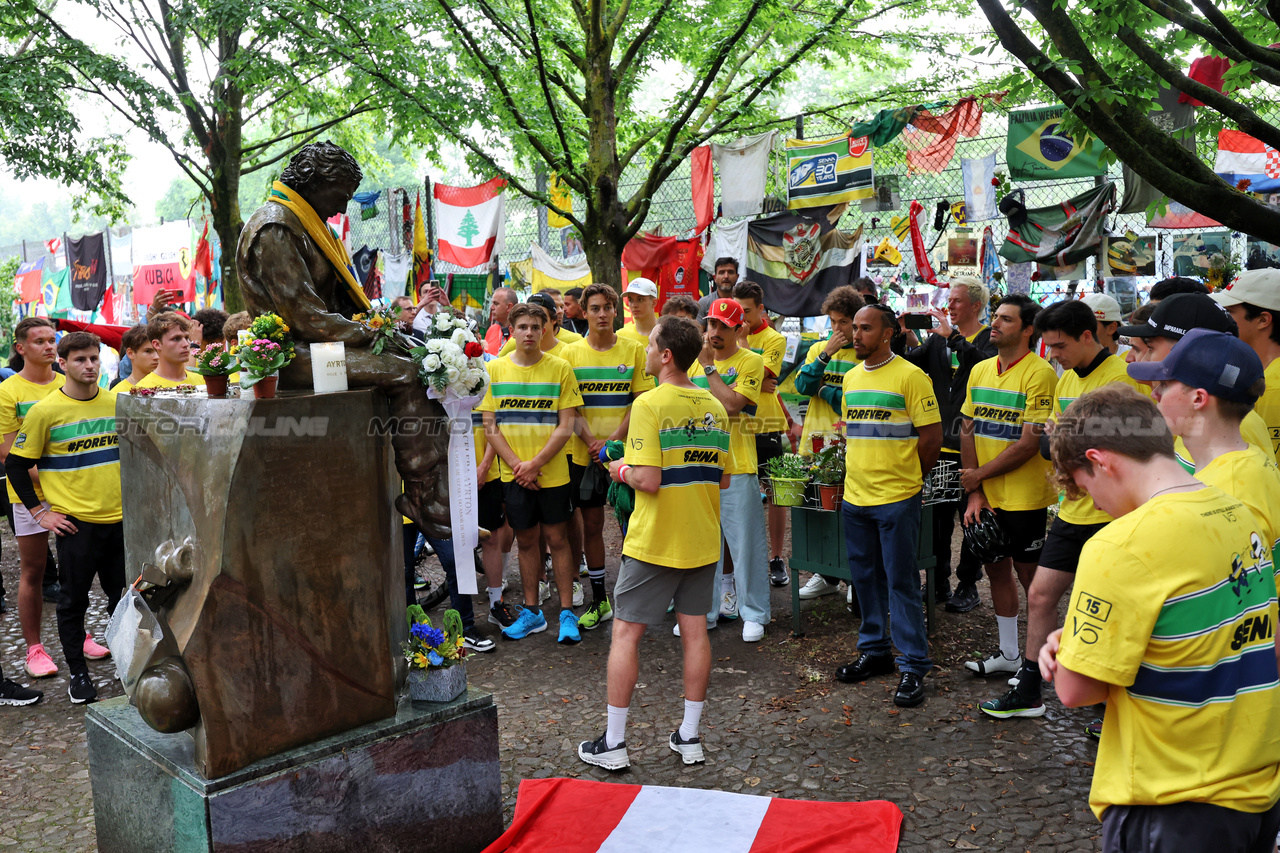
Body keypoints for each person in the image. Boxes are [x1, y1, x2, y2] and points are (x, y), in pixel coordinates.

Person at [1039, 386, 1280, 852]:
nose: (1096, 505)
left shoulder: (1118, 546)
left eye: (1086, 489)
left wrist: (1067, 648)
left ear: (1100, 459)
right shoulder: (1237, 512)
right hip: (1256, 787)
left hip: (1171, 799)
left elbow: (1075, 689)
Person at [577, 316, 730, 770]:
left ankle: (616, 744)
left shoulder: (648, 403)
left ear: (665, 356)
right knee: (696, 632)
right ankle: (690, 737)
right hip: (703, 537)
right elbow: (721, 478)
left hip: (655, 540)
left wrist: (619, 468)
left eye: (648, 346)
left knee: (625, 632)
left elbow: (647, 479)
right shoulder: (715, 407)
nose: (643, 353)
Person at [980, 299, 1142, 719]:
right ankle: (1030, 690)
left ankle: (1111, 703)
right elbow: (1048, 447)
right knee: (1040, 594)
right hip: (1072, 512)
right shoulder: (1065, 379)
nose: (1054, 355)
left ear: (1088, 335)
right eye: (1049, 347)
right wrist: (1069, 442)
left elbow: (1130, 449)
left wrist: (1065, 441)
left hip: (1114, 514)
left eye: (1060, 346)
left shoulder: (1124, 378)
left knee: (1107, 604)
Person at [6, 332, 123, 704]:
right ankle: (78, 674)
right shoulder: (45, 411)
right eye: (80, 360)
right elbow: (15, 464)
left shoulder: (117, 403)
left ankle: (129, 662)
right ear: (63, 363)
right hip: (77, 525)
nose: (89, 366)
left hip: (121, 521)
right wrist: (41, 512)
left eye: (94, 359)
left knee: (125, 600)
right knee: (74, 602)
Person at [834, 304, 942, 707]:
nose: (856, 335)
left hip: (897, 499)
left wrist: (907, 479)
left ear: (887, 333)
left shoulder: (912, 377)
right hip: (856, 499)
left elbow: (931, 438)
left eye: (864, 329)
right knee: (865, 582)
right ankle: (875, 651)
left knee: (901, 583)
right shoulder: (850, 378)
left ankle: (914, 664)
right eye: (854, 328)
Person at [960, 294, 1058, 683]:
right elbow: (967, 427)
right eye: (995, 317)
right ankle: (1010, 654)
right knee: (995, 569)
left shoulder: (1040, 373)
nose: (995, 324)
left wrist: (978, 475)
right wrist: (975, 489)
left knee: (1032, 581)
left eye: (1005, 319)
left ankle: (1044, 664)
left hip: (1025, 497)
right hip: (984, 494)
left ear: (1028, 329)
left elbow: (1029, 442)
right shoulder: (981, 370)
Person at [1130, 329, 1280, 576]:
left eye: (1165, 385)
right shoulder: (1246, 462)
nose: (1154, 393)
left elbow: (1242, 596)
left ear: (1198, 399)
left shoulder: (1224, 492)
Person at [478, 303, 584, 644]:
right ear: (512, 329)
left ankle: (567, 613)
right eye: (522, 326)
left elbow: (567, 425)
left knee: (557, 539)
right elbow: (490, 425)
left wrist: (535, 464)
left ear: (545, 329)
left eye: (535, 327)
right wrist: (518, 467)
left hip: (552, 474)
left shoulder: (561, 368)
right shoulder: (495, 371)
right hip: (515, 476)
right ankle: (533, 612)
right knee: (525, 541)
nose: (529, 332)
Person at [563, 284, 654, 630]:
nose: (602, 314)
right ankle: (599, 599)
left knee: (633, 523)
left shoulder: (633, 350)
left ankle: (636, 594)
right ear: (584, 312)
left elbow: (640, 403)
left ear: (617, 312)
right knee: (592, 527)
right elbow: (571, 407)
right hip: (584, 455)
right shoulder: (570, 355)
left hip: (624, 454)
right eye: (595, 308)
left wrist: (611, 441)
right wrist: (591, 441)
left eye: (608, 308)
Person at [902, 276, 995, 611]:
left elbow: (985, 365)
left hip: (975, 446)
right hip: (941, 444)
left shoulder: (989, 338)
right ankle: (938, 580)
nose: (949, 306)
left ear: (975, 305)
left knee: (972, 518)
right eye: (949, 300)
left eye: (956, 301)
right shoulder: (938, 341)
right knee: (938, 519)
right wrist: (901, 338)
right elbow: (911, 364)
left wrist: (954, 339)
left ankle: (968, 583)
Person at [687, 298, 768, 640]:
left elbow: (733, 405)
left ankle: (755, 614)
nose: (714, 332)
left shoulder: (751, 361)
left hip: (738, 464)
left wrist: (709, 369)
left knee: (745, 544)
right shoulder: (690, 363)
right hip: (698, 467)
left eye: (722, 325)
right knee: (702, 546)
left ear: (738, 329)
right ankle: (702, 613)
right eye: (710, 324)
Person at [1117, 293, 1273, 470]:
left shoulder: (1223, 424)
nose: (1142, 359)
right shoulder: (1203, 416)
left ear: (1188, 349)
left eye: (1150, 348)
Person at [0, 318, 68, 679]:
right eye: (39, 341)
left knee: (77, 569)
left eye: (52, 340)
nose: (49, 347)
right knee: (34, 571)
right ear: (21, 347)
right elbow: (8, 453)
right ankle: (35, 649)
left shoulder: (67, 382)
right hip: (30, 496)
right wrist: (58, 477)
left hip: (75, 493)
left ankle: (80, 634)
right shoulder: (9, 391)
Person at [792, 286, 865, 603]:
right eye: (833, 322)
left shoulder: (865, 354)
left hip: (850, 447)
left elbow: (851, 403)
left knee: (851, 514)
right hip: (815, 444)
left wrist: (823, 392)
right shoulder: (820, 349)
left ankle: (856, 580)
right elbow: (801, 385)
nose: (837, 329)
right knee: (818, 513)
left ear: (857, 321)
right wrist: (824, 356)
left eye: (843, 322)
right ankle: (826, 575)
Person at [734, 280, 791, 588]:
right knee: (739, 493)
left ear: (760, 308)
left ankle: (776, 557)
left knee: (775, 492)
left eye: (746, 311)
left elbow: (760, 374)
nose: (740, 318)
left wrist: (742, 348)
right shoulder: (725, 335)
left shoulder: (775, 339)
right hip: (736, 425)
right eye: (736, 310)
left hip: (766, 424)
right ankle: (744, 558)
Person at [1211, 269, 1280, 463]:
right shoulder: (1243, 367)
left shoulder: (1273, 387)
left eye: (1229, 312)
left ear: (1263, 320)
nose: (1222, 319)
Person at [133, 313, 203, 389]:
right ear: (157, 344)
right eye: (176, 339)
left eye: (186, 338)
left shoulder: (203, 381)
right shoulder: (144, 389)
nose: (186, 344)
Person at [497, 292, 579, 356]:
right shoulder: (514, 343)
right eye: (530, 316)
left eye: (541, 316)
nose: (535, 321)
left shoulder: (573, 344)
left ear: (554, 320)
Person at [112, 325, 160, 392]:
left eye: (158, 351)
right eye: (148, 351)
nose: (156, 357)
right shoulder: (118, 393)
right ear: (131, 353)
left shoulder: (172, 386)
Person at [618, 278, 659, 347]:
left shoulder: (667, 334)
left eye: (640, 299)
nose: (634, 305)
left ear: (654, 303)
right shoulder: (621, 336)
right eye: (631, 300)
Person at [484, 286, 518, 355]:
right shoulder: (492, 329)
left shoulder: (521, 332)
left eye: (496, 304)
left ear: (509, 307)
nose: (491, 307)